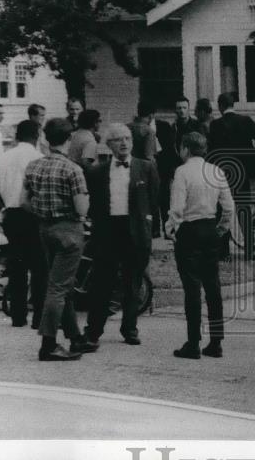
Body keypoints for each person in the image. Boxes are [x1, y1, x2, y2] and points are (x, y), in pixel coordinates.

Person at [82, 123, 159, 347]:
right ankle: (93, 330)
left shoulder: (146, 168)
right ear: (109, 145)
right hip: (108, 232)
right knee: (101, 283)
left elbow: (154, 202)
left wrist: (150, 231)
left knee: (132, 282)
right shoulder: (97, 172)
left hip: (134, 230)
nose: (124, 143)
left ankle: (130, 328)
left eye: (127, 138)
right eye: (118, 139)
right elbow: (94, 205)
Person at [22, 118, 93, 361]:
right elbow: (81, 207)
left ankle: (75, 336)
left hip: (45, 229)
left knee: (61, 283)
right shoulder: (73, 169)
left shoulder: (34, 166)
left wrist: (44, 211)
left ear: (46, 139)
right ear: (69, 139)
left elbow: (24, 202)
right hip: (69, 230)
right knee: (59, 288)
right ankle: (49, 343)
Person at [167, 132, 235, 360]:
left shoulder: (182, 172)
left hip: (189, 229)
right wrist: (220, 229)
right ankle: (216, 341)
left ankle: (193, 342)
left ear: (185, 148)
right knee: (213, 286)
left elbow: (177, 207)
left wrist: (174, 228)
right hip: (209, 229)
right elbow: (228, 207)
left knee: (192, 288)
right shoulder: (216, 171)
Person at [0, 120, 46, 328]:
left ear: (17, 136)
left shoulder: (4, 158)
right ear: (37, 136)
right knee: (40, 267)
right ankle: (39, 317)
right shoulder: (40, 158)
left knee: (16, 266)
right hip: (33, 215)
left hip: (12, 215)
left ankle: (18, 315)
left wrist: (4, 207)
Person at [208, 92, 255, 261]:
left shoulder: (215, 125)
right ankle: (249, 250)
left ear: (220, 106)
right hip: (242, 172)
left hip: (222, 174)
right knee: (243, 210)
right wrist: (250, 158)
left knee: (222, 210)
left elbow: (212, 151)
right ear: (234, 105)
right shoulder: (246, 121)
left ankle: (223, 251)